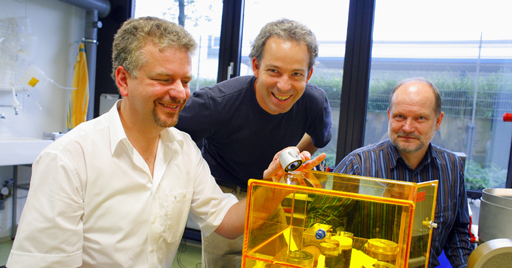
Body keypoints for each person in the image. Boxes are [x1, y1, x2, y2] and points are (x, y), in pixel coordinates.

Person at [5, 16, 325, 268]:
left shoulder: (182, 149)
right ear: (122, 80)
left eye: (185, 81)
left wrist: (272, 188)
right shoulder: (68, 159)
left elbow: (225, 221)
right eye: (163, 79)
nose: (181, 93)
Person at [174, 18, 332, 267]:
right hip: (224, 191)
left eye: (296, 74)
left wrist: (289, 162)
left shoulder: (314, 102)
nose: (284, 86)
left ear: (309, 74)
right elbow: (169, 130)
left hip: (271, 189)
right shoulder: (217, 103)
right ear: (256, 66)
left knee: (276, 261)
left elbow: (317, 138)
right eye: (274, 71)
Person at [333, 77, 474, 268]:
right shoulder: (357, 165)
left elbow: (458, 233)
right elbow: (323, 226)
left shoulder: (452, 167)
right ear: (389, 116)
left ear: (438, 121)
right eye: (400, 117)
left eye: (420, 118)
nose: (407, 128)